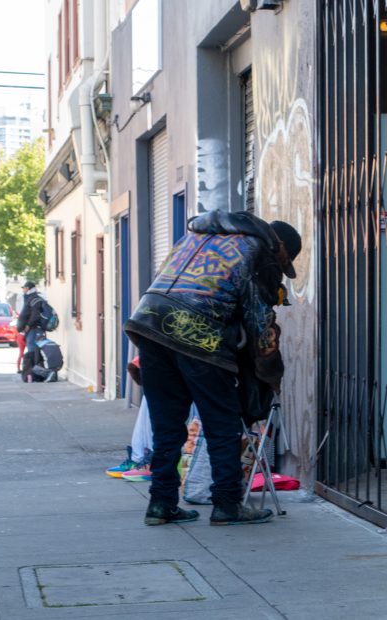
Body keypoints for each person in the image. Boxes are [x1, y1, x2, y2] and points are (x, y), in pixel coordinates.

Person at [124, 211, 300, 527]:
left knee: (167, 425)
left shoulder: (196, 237)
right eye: (286, 260)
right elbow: (259, 320)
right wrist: (270, 372)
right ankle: (227, 504)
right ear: (281, 245)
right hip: (197, 332)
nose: (282, 269)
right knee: (222, 423)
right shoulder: (259, 249)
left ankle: (161, 503)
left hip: (148, 324)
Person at [15, 281, 47, 378]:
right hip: (31, 329)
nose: (23, 290)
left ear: (28, 288)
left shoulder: (34, 299)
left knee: (32, 350)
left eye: (24, 288)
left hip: (33, 329)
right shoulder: (31, 298)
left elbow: (35, 314)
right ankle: (33, 372)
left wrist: (28, 325)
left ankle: (33, 373)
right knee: (33, 350)